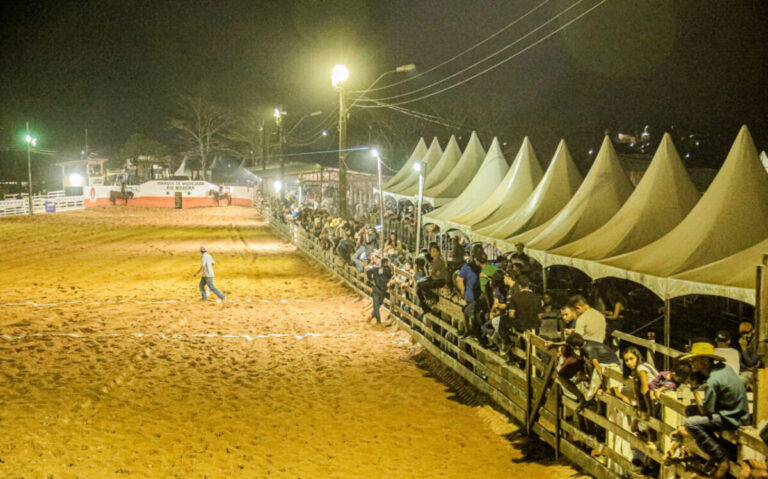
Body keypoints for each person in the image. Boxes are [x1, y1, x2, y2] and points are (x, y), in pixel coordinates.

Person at [673, 341, 751, 478]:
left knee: (691, 423)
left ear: (706, 360)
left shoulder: (713, 380)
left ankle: (721, 457)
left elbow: (704, 411)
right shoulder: (723, 368)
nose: (692, 363)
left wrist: (693, 388)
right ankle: (715, 452)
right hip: (733, 411)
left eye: (695, 360)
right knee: (690, 410)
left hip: (733, 417)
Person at [416, 245, 448, 314]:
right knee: (418, 286)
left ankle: (433, 298)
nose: (431, 253)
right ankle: (425, 307)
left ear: (438, 253)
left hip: (440, 280)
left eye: (433, 251)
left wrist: (427, 265)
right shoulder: (433, 261)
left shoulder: (438, 261)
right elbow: (431, 274)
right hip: (434, 278)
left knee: (423, 285)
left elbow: (430, 273)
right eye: (431, 251)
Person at [366, 258, 393, 324]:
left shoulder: (375, 268)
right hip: (382, 290)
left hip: (376, 288)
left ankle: (373, 315)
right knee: (378, 304)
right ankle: (378, 319)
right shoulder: (387, 269)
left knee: (377, 304)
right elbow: (391, 276)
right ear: (385, 263)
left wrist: (371, 279)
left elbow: (368, 272)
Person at [737, 321, 759, 385]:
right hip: (743, 371)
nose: (745, 335)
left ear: (753, 330)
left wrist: (744, 349)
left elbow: (751, 362)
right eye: (743, 333)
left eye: (747, 332)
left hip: (749, 374)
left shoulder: (755, 342)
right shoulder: (745, 342)